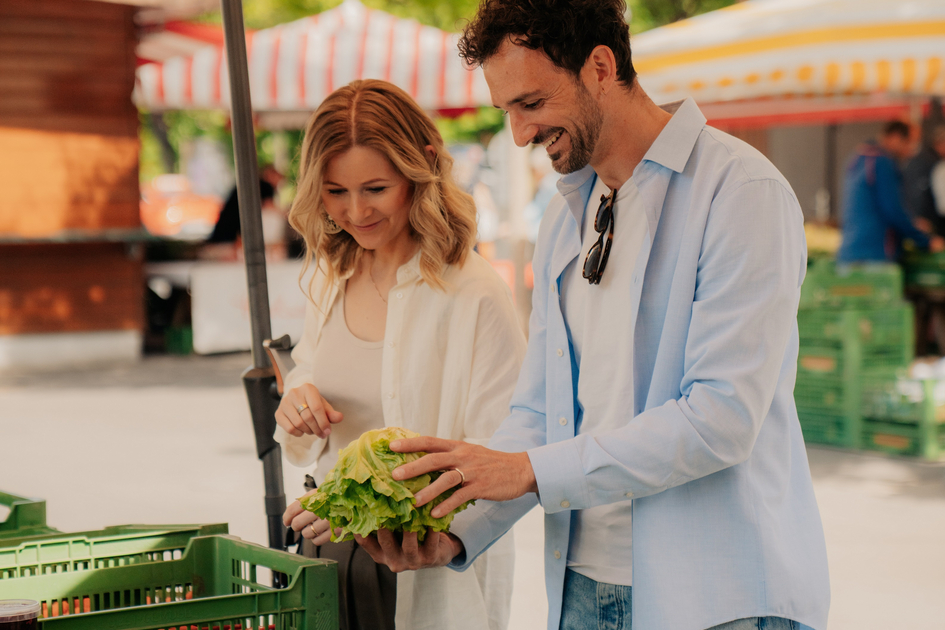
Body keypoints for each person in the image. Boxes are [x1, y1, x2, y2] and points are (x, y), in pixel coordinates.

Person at [354, 1, 830, 629]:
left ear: (601, 67)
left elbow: (720, 419)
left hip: (721, 600)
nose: (519, 134)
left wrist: (526, 471)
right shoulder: (564, 216)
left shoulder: (740, 192)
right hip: (583, 589)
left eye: (531, 103)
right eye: (507, 111)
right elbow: (539, 413)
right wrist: (456, 533)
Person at [272, 79, 525, 630]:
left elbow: (503, 458)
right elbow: (309, 394)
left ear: (422, 167)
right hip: (330, 558)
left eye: (376, 188)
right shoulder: (330, 276)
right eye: (335, 191)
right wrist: (296, 401)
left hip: (434, 574)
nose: (355, 210)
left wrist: (387, 518)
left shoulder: (474, 292)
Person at [836, 121, 944, 264]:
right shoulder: (882, 163)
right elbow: (893, 211)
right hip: (875, 255)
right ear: (896, 137)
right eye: (910, 143)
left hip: (849, 253)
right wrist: (926, 241)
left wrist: (913, 223)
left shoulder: (858, 157)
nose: (911, 151)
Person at [904, 124, 945, 235]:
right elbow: (917, 191)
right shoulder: (927, 161)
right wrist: (919, 216)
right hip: (926, 221)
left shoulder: (932, 160)